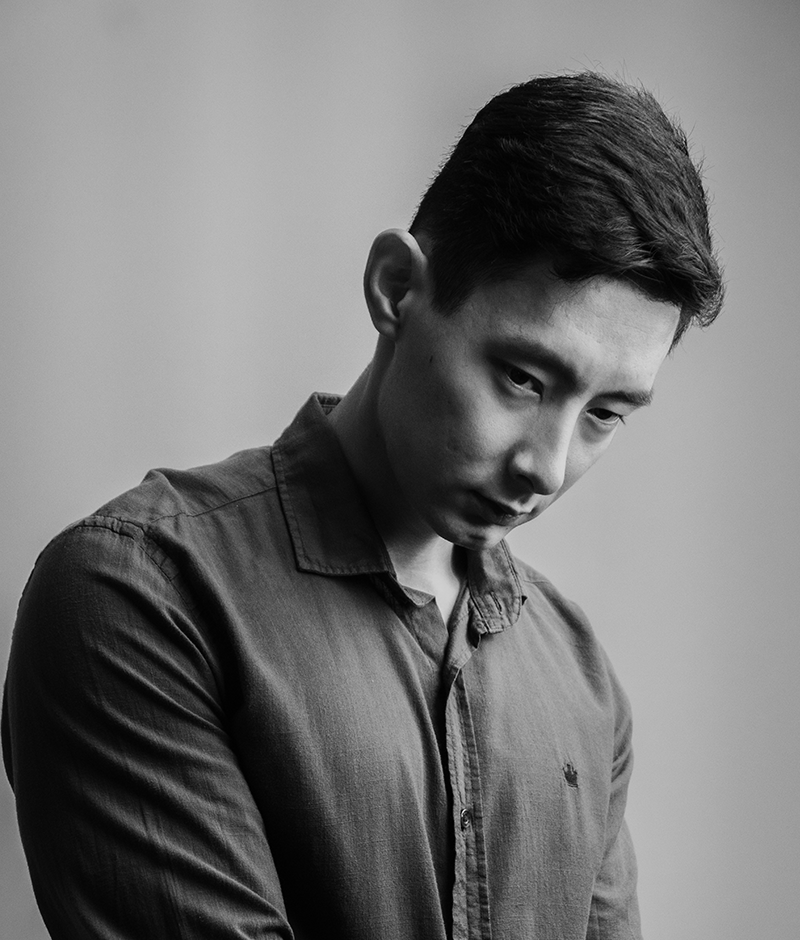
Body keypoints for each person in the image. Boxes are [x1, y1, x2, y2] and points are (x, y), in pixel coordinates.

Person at [2, 72, 723, 939]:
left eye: (606, 413)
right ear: (395, 288)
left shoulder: (580, 678)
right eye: (523, 378)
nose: (548, 465)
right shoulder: (141, 596)